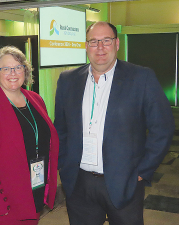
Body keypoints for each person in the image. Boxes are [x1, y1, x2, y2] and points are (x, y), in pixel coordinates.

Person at [54, 21, 175, 225]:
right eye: (93, 41)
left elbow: (162, 128)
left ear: (117, 44)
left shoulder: (141, 78)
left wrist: (143, 171)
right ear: (86, 46)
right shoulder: (68, 80)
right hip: (79, 182)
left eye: (106, 40)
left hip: (124, 181)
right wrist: (64, 165)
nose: (100, 47)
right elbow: (61, 128)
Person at [0, 46, 59, 225]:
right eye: (5, 68)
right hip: (3, 202)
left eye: (18, 67)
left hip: (32, 192)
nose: (13, 73)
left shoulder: (36, 99)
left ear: (25, 71)